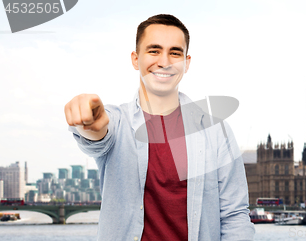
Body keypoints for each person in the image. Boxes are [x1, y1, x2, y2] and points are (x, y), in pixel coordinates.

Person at [64, 14, 255, 241]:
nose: (164, 61)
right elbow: (97, 136)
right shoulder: (117, 122)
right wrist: (88, 125)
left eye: (175, 53)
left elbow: (235, 216)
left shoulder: (216, 132)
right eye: (154, 51)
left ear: (186, 62)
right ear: (135, 59)